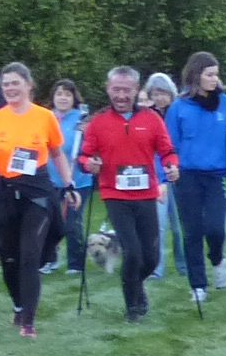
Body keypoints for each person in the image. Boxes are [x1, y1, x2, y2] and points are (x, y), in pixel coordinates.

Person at [0, 62, 74, 336]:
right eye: (5, 84)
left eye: (15, 83)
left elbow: (56, 153)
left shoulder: (44, 117)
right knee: (8, 258)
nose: (10, 89)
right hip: (5, 193)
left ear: (28, 85)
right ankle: (18, 305)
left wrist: (69, 183)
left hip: (37, 194)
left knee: (30, 255)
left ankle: (29, 320)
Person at [77, 66, 178, 321]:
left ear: (136, 90)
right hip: (115, 194)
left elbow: (167, 150)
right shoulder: (98, 121)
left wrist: (171, 166)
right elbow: (84, 155)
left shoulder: (151, 119)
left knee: (151, 258)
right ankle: (133, 305)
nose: (121, 95)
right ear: (108, 89)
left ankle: (134, 285)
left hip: (146, 194)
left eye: (127, 90)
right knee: (132, 252)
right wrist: (89, 164)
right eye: (116, 89)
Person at [165, 52, 226, 307]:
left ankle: (217, 258)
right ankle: (198, 285)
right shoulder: (179, 107)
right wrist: (170, 169)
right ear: (195, 76)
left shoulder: (225, 103)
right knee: (191, 231)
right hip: (187, 175)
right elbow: (169, 145)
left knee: (215, 228)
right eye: (209, 74)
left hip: (218, 175)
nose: (215, 79)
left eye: (216, 74)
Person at [43, 79, 90, 271]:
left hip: (77, 179)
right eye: (59, 94)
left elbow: (91, 147)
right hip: (49, 179)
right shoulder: (45, 117)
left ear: (74, 98)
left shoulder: (82, 119)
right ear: (53, 97)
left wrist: (86, 133)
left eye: (67, 94)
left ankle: (75, 263)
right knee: (47, 221)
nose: (63, 98)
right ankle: (49, 259)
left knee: (72, 222)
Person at [144, 72, 182, 279]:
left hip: (178, 174)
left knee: (179, 228)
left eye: (163, 93)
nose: (159, 97)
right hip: (156, 177)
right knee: (158, 225)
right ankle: (156, 269)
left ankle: (183, 266)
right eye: (155, 93)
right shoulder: (146, 115)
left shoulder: (178, 113)